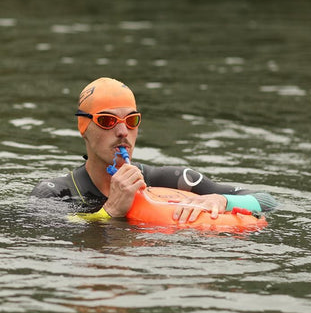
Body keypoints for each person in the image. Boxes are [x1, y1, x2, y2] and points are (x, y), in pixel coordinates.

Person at [31, 77, 277, 223]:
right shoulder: (55, 193)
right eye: (107, 121)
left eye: (132, 120)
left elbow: (268, 200)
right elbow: (42, 239)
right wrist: (110, 212)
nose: (122, 132)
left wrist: (221, 199)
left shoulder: (167, 180)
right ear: (84, 127)